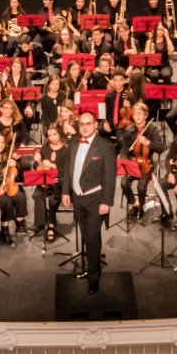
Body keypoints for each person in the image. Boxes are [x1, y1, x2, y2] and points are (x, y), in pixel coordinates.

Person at [61, 112, 117, 294]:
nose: (84, 127)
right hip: (78, 199)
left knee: (92, 237)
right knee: (87, 235)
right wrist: (65, 192)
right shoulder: (74, 142)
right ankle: (92, 266)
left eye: (88, 123)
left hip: (96, 200)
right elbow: (68, 168)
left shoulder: (106, 146)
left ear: (95, 125)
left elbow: (110, 176)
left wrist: (106, 202)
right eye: (82, 124)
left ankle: (94, 276)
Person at [118, 102, 165, 219]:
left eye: (141, 114)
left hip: (146, 164)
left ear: (146, 115)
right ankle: (133, 203)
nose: (138, 116)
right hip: (132, 164)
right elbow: (123, 150)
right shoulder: (128, 130)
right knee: (124, 183)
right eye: (135, 114)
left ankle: (142, 205)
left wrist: (148, 143)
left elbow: (161, 148)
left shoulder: (152, 129)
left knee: (141, 186)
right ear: (132, 116)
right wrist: (124, 161)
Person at [33, 124, 70, 242]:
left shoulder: (66, 150)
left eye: (54, 134)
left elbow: (67, 171)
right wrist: (37, 161)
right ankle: (45, 223)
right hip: (44, 182)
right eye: (49, 135)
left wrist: (54, 167)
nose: (52, 138)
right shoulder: (45, 148)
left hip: (59, 183)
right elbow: (36, 167)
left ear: (60, 134)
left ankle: (50, 225)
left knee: (53, 201)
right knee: (37, 195)